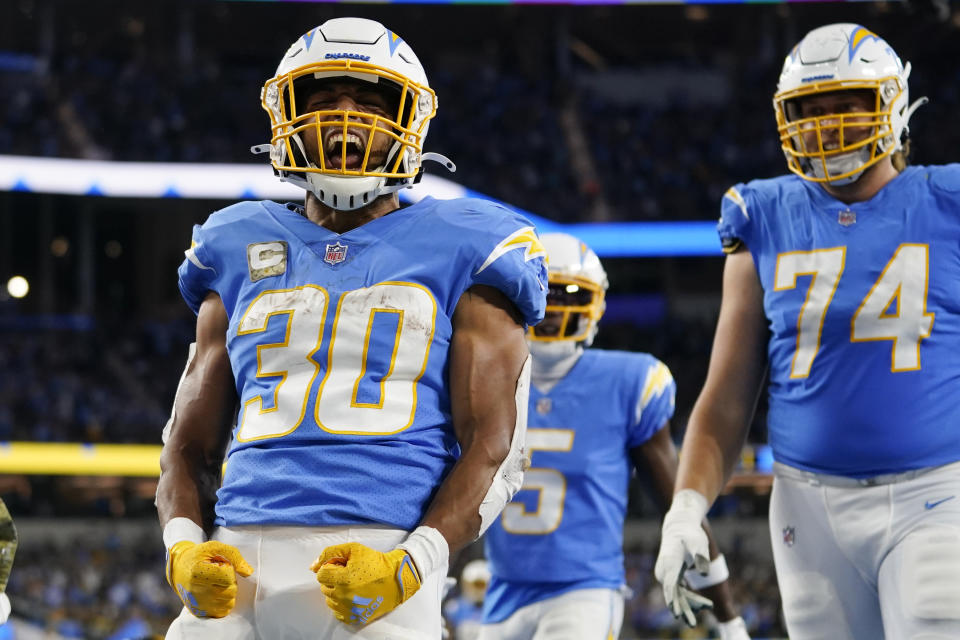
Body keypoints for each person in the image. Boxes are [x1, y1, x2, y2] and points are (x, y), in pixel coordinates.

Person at [156, 17, 547, 639]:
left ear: (409, 121)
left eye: (369, 100)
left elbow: (498, 449)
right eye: (323, 99)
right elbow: (187, 444)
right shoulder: (234, 241)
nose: (345, 117)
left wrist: (411, 566)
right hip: (238, 556)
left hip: (381, 556)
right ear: (287, 115)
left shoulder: (473, 244)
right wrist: (182, 547)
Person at [654, 23, 960, 639]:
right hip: (807, 505)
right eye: (808, 110)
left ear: (893, 105)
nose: (825, 125)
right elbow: (727, 392)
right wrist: (687, 504)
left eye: (846, 104)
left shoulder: (946, 201)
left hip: (937, 494)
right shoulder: (761, 212)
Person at [480, 233, 749, 639]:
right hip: (501, 592)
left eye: (569, 293)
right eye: (542, 292)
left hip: (584, 591)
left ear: (595, 303)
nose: (553, 307)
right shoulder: (483, 378)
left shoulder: (628, 382)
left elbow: (677, 505)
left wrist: (730, 618)